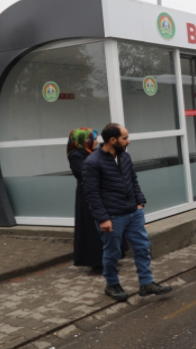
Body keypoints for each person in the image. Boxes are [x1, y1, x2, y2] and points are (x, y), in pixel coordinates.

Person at [81, 123, 173, 301]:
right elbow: (91, 194)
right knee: (112, 252)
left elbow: (133, 180)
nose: (128, 141)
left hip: (133, 212)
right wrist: (103, 218)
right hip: (112, 217)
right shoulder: (92, 162)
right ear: (112, 140)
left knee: (142, 247)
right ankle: (112, 284)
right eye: (125, 138)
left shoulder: (125, 157)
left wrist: (140, 202)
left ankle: (146, 283)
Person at [67, 128, 105, 270]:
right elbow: (86, 174)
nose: (96, 141)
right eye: (93, 139)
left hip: (102, 193)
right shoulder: (75, 155)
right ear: (84, 141)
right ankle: (97, 262)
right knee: (92, 228)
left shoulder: (95, 152)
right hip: (88, 196)